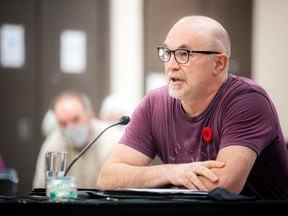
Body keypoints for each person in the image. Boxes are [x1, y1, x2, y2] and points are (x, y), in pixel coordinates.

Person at [97, 16, 288, 199]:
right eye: (167, 53)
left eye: (183, 54)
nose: (171, 65)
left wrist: (149, 178)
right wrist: (171, 172)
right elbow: (108, 178)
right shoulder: (154, 104)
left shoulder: (247, 101)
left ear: (219, 64)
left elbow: (221, 186)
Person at [33, 91, 122, 189]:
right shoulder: (52, 145)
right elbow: (40, 189)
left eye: (75, 119)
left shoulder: (111, 138)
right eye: (63, 123)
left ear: (89, 114)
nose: (70, 127)